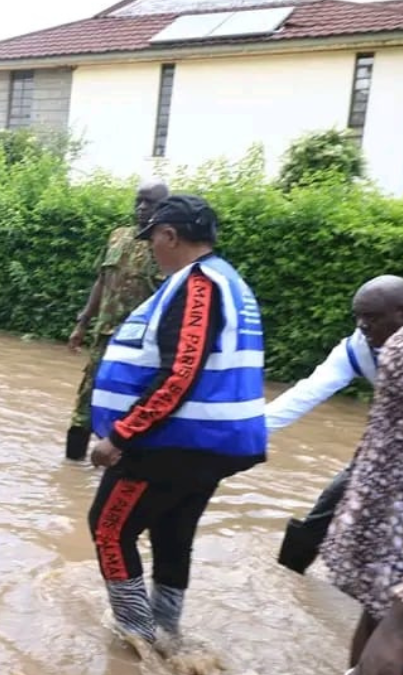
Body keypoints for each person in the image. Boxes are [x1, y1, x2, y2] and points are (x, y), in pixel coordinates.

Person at [87, 195, 266, 647]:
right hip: (208, 443)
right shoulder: (228, 280)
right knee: (172, 531)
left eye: (153, 241)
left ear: (170, 235)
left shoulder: (199, 285)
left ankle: (137, 638)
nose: (150, 250)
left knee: (108, 528)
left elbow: (181, 373)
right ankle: (167, 631)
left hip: (172, 444)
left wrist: (121, 435)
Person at [272, 275, 403, 575]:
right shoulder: (358, 350)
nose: (362, 326)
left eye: (372, 317)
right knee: (331, 502)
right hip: (385, 447)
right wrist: (246, 436)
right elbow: (306, 393)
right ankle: (289, 579)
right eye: (358, 317)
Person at [65, 179, 168, 461]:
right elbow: (101, 280)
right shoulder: (118, 236)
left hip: (142, 351)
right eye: (139, 201)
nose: (143, 208)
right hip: (104, 340)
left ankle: (119, 473)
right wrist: (82, 323)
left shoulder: (166, 249)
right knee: (84, 407)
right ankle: (71, 471)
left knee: (131, 411)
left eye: (151, 203)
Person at [321, 326, 403, 674]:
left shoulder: (396, 344)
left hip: (382, 502)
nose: (365, 328)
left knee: (384, 618)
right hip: (386, 505)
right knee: (387, 620)